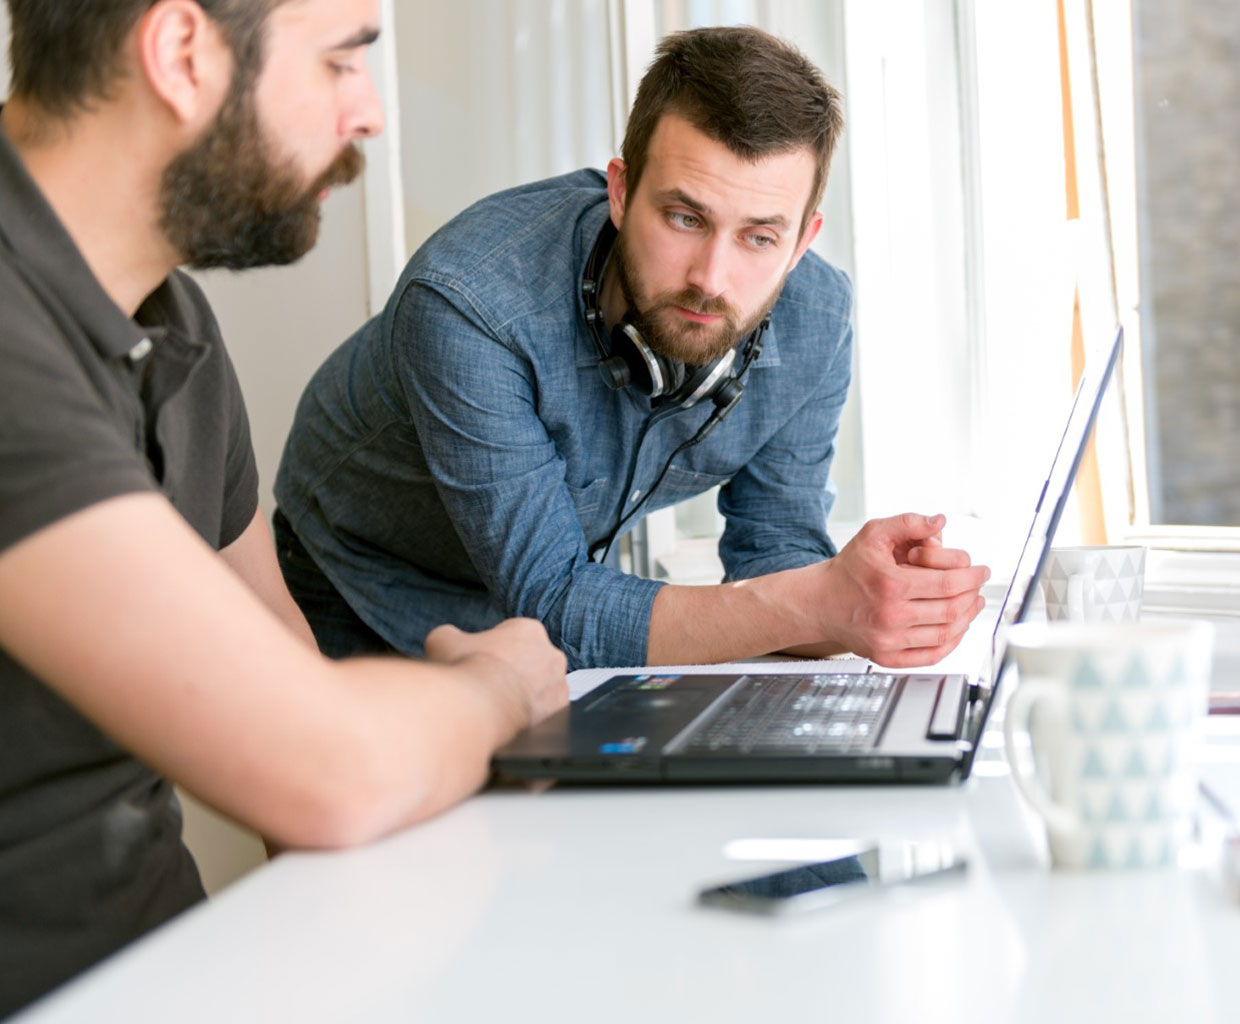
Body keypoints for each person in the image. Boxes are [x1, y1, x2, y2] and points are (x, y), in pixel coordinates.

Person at [0, 0, 568, 1014]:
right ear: (183, 54)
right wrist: (496, 689)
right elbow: (327, 766)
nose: (372, 114)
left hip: (173, 970)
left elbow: (286, 689)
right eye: (344, 61)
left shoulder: (172, 325)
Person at [275, 26, 991, 672]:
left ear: (804, 240)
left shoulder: (817, 319)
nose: (711, 280)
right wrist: (817, 604)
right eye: (685, 217)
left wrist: (873, 602)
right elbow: (551, 601)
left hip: (548, 609)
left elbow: (777, 558)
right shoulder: (470, 304)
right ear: (621, 192)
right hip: (351, 583)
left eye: (759, 237)